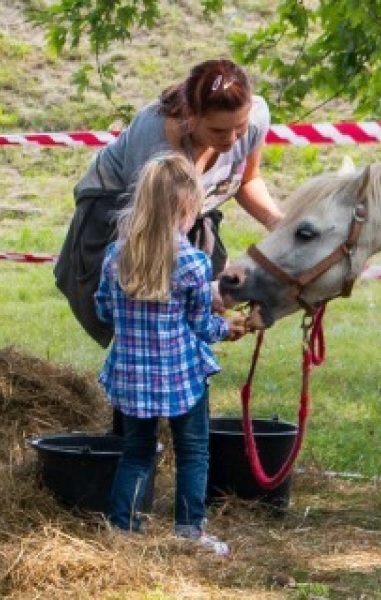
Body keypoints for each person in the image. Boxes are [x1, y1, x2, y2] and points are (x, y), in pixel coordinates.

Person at [56, 57, 284, 349]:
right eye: (217, 131)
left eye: (239, 127)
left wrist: (275, 222)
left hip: (188, 215)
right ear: (191, 116)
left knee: (184, 312)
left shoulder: (255, 118)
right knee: (149, 306)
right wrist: (208, 300)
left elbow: (247, 179)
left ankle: (178, 366)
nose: (231, 139)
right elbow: (151, 242)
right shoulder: (157, 145)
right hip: (122, 212)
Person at [95, 153, 247, 555]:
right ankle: (189, 531)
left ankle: (122, 530)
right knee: (192, 450)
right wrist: (227, 329)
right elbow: (201, 325)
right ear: (185, 208)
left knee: (137, 452)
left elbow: (104, 311)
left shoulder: (116, 257)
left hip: (132, 375)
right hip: (182, 378)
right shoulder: (193, 264)